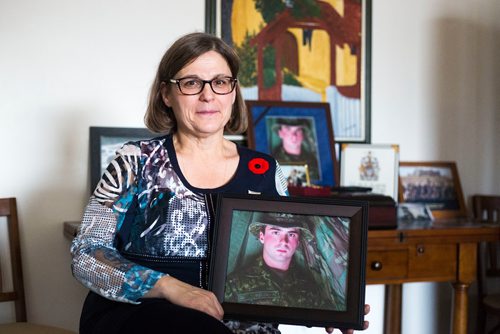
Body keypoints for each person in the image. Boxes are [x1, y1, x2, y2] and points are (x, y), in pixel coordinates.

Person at [71, 32, 368, 334]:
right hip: (141, 314)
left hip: (234, 320)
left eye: (220, 82)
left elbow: (291, 251)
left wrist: (329, 306)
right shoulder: (136, 160)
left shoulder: (265, 170)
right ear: (166, 94)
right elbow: (86, 253)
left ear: (233, 91)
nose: (208, 95)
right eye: (191, 83)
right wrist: (168, 286)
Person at [225, 212, 338, 310]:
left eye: (291, 234)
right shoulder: (233, 285)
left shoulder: (310, 289)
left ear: (298, 242)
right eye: (276, 232)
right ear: (262, 236)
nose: (284, 241)